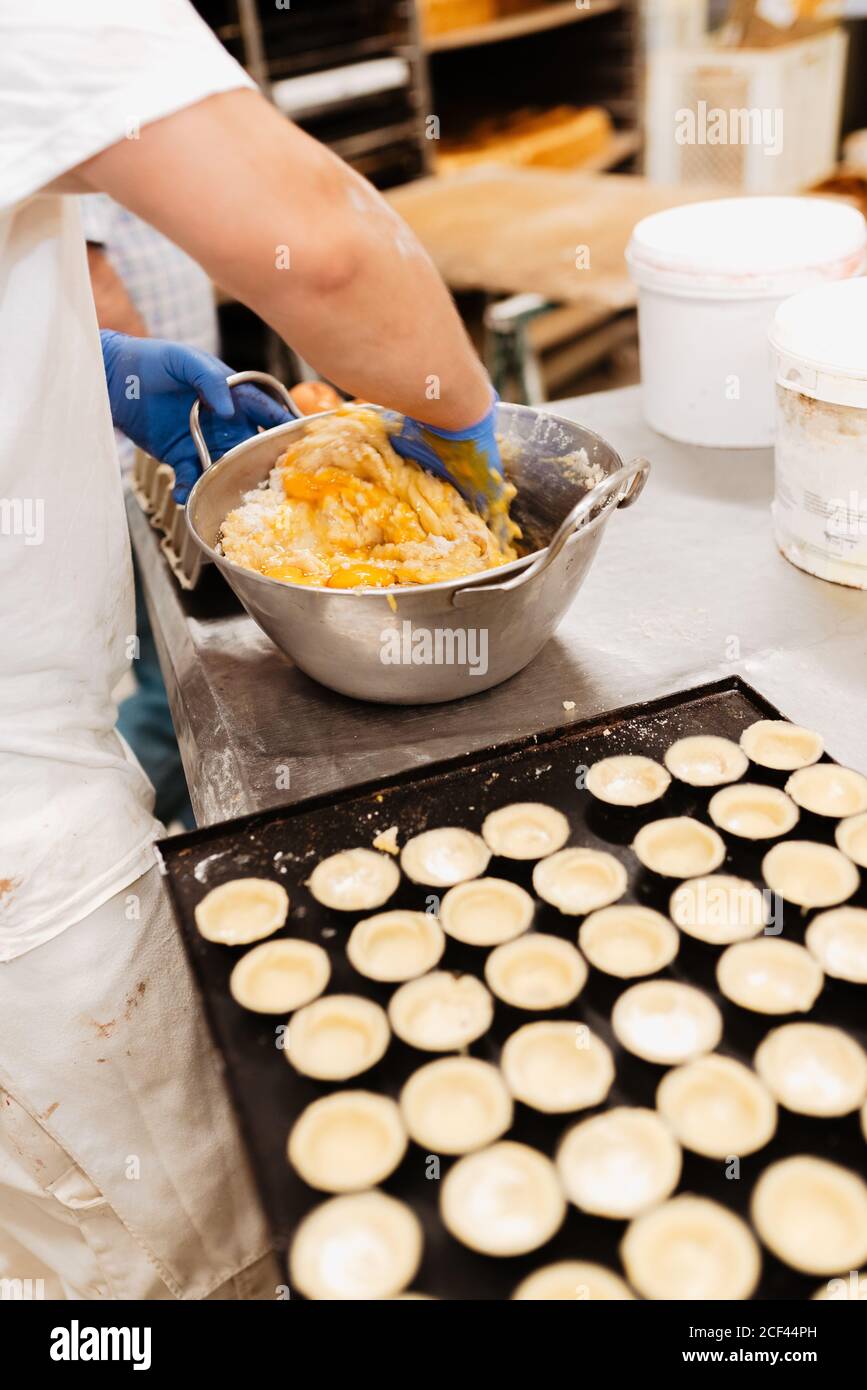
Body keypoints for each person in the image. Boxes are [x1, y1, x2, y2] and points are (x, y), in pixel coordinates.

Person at [0, 0, 500, 1299]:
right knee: (182, 1266)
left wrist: (78, 364)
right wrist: (461, 444)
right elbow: (326, 249)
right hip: (22, 857)